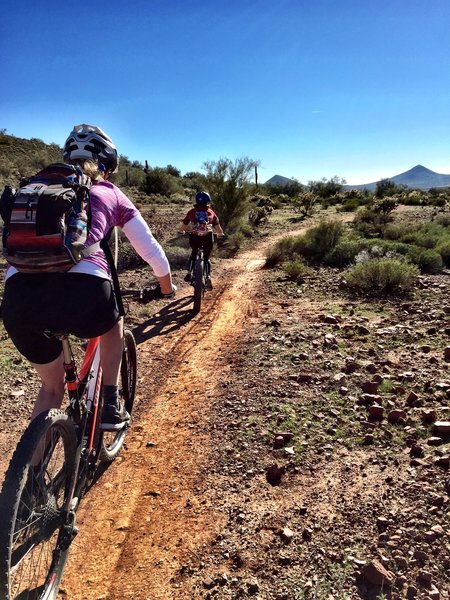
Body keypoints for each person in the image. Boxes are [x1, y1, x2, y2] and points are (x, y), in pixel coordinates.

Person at [2, 124, 175, 430]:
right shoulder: (111, 193)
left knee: (51, 388)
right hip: (84, 292)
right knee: (114, 322)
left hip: (18, 298)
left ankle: (28, 476)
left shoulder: (37, 188)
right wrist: (166, 285)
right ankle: (110, 402)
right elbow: (150, 249)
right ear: (107, 166)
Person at [178, 191, 224, 289]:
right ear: (208, 201)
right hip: (208, 237)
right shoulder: (211, 212)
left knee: (193, 253)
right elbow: (218, 227)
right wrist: (220, 234)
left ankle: (189, 273)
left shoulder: (191, 212)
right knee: (206, 258)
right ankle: (208, 277)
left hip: (195, 237)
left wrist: (181, 231)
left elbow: (184, 225)